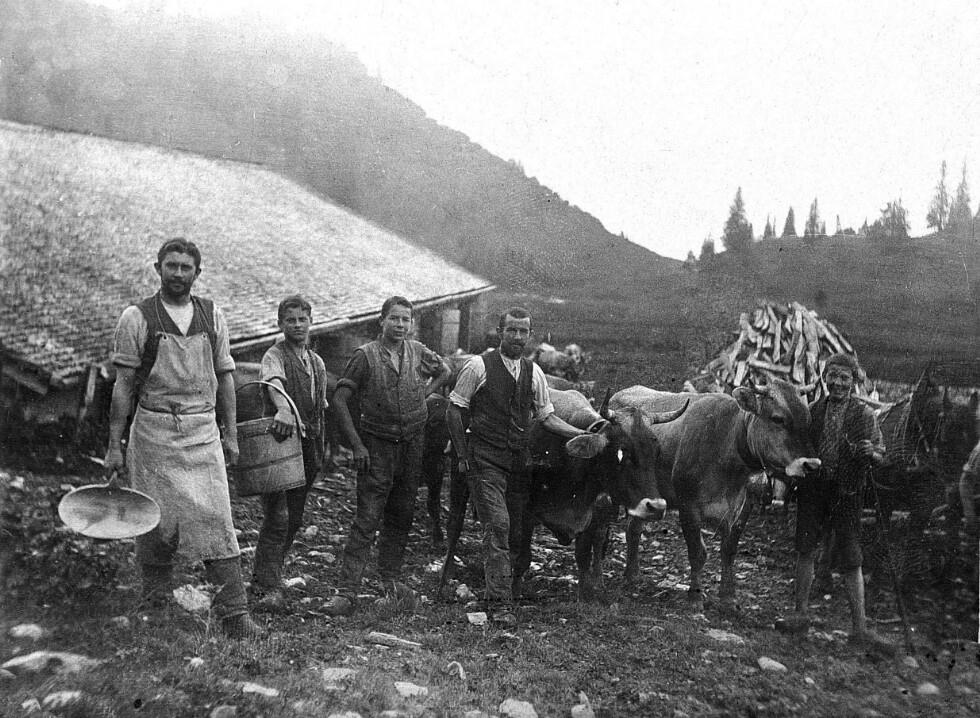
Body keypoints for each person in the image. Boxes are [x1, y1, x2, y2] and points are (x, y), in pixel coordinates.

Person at [104, 238, 264, 639]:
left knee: (217, 518)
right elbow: (123, 386)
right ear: (157, 268)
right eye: (171, 265)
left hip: (201, 432)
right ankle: (155, 606)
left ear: (197, 272)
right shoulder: (136, 317)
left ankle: (235, 614)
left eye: (185, 267)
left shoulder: (212, 315)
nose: (178, 273)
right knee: (153, 518)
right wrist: (113, 447)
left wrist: (231, 434)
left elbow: (225, 377)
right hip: (153, 432)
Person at [446, 307, 587, 623]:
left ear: (530, 335)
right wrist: (463, 455)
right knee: (498, 525)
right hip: (485, 459)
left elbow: (547, 417)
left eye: (524, 331)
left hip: (518, 464)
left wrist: (581, 433)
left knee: (516, 528)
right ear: (500, 332)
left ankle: (506, 588)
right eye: (512, 330)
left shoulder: (534, 372)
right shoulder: (478, 366)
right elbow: (454, 410)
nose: (518, 337)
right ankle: (499, 604)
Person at [324, 296, 450, 616]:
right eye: (394, 318)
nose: (400, 325)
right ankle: (347, 591)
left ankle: (389, 580)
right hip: (377, 446)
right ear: (382, 321)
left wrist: (423, 394)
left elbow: (445, 371)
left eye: (406, 319)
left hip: (412, 444)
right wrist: (357, 445)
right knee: (367, 517)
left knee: (402, 513)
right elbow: (339, 400)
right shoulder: (365, 356)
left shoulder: (418, 351)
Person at [776, 353, 893, 652]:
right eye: (833, 376)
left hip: (848, 492)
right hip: (814, 490)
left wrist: (870, 452)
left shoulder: (865, 415)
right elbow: (796, 448)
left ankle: (860, 628)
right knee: (805, 548)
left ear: (854, 382)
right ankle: (800, 615)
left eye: (844, 377)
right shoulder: (812, 412)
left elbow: (882, 456)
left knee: (851, 557)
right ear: (824, 377)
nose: (838, 383)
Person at [251, 295, 329, 612]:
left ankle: (272, 573)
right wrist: (283, 409)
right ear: (280, 323)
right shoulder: (275, 355)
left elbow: (320, 407)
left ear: (311, 322)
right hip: (279, 444)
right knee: (277, 516)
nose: (297, 325)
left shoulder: (317, 362)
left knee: (294, 516)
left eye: (302, 319)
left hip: (308, 445)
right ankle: (265, 585)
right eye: (290, 320)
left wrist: (322, 448)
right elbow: (273, 383)